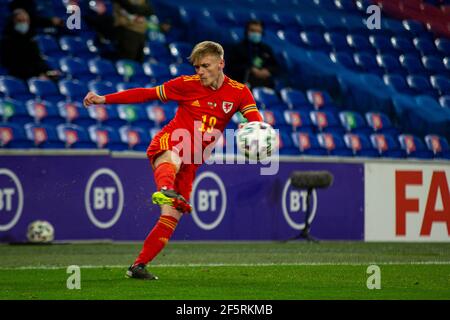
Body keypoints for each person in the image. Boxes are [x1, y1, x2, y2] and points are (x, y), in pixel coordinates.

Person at [83, 41, 264, 280]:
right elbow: (146, 94)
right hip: (170, 141)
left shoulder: (239, 92)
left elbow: (255, 120)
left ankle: (138, 266)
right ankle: (165, 188)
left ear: (221, 64)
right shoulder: (185, 85)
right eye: (197, 67)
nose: (199, 71)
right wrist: (103, 99)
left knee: (171, 216)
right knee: (174, 154)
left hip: (193, 160)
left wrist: (255, 131)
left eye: (205, 66)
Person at [0, 9, 60, 81]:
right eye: (20, 21)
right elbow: (13, 64)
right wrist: (37, 75)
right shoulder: (7, 42)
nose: (23, 24)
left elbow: (37, 59)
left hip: (36, 75)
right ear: (13, 22)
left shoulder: (31, 40)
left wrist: (47, 72)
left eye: (26, 21)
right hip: (20, 77)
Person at [227, 19, 279, 89]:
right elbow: (231, 67)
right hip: (243, 82)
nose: (256, 34)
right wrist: (251, 69)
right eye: (253, 31)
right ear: (247, 32)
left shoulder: (266, 49)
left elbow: (275, 66)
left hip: (265, 82)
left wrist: (268, 71)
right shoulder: (238, 48)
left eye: (258, 32)